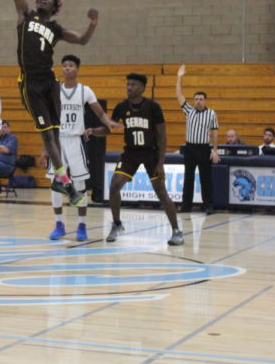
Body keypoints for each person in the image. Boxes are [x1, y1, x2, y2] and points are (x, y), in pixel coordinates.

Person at [0, 0, 98, 205]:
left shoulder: (56, 29)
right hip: (30, 83)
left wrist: (92, 24)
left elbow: (83, 41)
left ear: (55, 7)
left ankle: (64, 182)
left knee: (54, 133)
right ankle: (65, 183)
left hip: (50, 82)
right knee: (46, 134)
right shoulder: (24, 16)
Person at [89, 73, 184, 246]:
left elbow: (162, 137)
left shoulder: (153, 107)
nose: (129, 87)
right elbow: (108, 129)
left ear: (142, 87)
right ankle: (117, 224)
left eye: (133, 84)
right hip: (131, 153)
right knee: (114, 185)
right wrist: (93, 131)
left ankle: (177, 230)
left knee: (161, 192)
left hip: (151, 153)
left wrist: (161, 163)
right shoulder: (121, 106)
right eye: (128, 84)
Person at [47, 54, 117, 243]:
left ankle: (82, 225)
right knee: (56, 185)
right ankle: (59, 224)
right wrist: (45, 146)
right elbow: (47, 118)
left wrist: (109, 123)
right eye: (64, 66)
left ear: (77, 69)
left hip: (76, 141)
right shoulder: (55, 90)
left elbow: (100, 112)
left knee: (79, 185)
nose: (67, 68)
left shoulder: (85, 91)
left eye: (71, 65)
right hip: (57, 140)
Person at [176, 65, 219, 215]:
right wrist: (179, 76)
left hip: (203, 148)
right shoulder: (189, 110)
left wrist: (214, 151)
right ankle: (186, 205)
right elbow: (179, 95)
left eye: (201, 99)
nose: (198, 101)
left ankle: (208, 206)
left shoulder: (211, 113)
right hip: (190, 148)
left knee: (205, 179)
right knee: (188, 178)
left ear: (205, 100)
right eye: (196, 99)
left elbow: (214, 132)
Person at [0, 120, 18, 197]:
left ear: (9, 129)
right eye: (1, 127)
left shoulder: (13, 138)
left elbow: (6, 150)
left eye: (5, 127)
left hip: (8, 167)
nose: (3, 129)